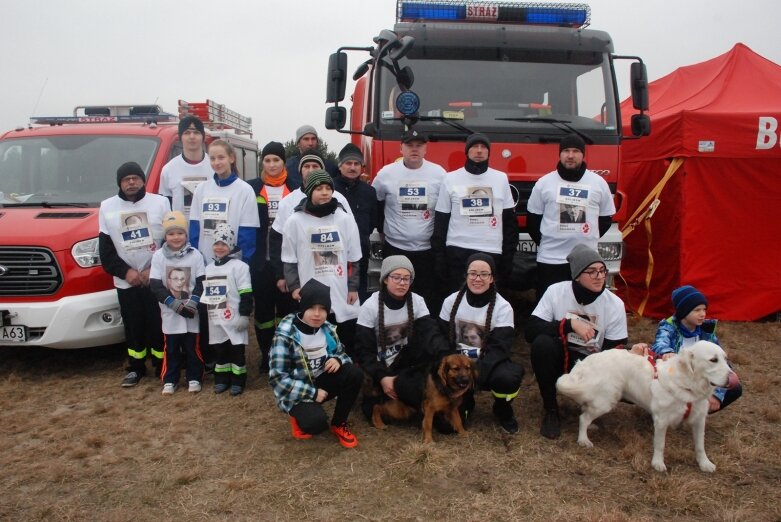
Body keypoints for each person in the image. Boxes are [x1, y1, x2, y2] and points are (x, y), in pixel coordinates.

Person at [526, 244, 649, 439]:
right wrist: (569, 324)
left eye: (602, 270)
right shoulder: (556, 292)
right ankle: (551, 410)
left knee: (631, 376)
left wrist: (629, 351)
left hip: (594, 362)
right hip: (560, 356)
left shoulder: (614, 303)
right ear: (576, 276)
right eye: (591, 272)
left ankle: (591, 404)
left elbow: (613, 348)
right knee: (542, 344)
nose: (599, 277)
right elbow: (531, 330)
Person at [189, 139, 259, 371]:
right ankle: (214, 359)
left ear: (231, 158)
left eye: (221, 157)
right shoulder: (202, 189)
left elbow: (248, 232)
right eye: (212, 158)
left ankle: (235, 357)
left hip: (232, 265)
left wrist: (241, 264)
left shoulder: (244, 190)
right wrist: (197, 259)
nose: (217, 162)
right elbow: (195, 227)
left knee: (230, 310)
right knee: (210, 310)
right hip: (208, 263)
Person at [99, 162, 170, 387]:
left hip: (155, 277)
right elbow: (106, 250)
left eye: (135, 178)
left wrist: (154, 270)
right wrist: (126, 272)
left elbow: (171, 240)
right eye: (126, 179)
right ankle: (136, 367)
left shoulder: (160, 202)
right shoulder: (107, 207)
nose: (131, 182)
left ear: (143, 180)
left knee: (158, 322)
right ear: (119, 183)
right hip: (126, 281)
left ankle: (162, 365)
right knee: (133, 324)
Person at [355, 255, 450, 423]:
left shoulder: (417, 301)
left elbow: (430, 333)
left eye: (406, 278)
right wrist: (383, 378)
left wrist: (447, 357)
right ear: (385, 279)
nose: (402, 283)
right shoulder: (369, 307)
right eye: (396, 277)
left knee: (412, 405)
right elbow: (364, 350)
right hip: (377, 364)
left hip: (403, 363)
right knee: (373, 411)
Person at [269, 278, 363, 448]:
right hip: (297, 390)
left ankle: (339, 423)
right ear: (302, 307)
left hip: (321, 382)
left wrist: (337, 359)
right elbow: (278, 379)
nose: (317, 314)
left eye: (323, 309)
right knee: (316, 424)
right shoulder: (285, 335)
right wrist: (312, 393)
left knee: (354, 373)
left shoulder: (327, 328)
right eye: (311, 308)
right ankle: (298, 415)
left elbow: (343, 353)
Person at [281, 170, 362, 358]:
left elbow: (354, 257)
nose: (324, 192)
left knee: (344, 336)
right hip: (311, 288)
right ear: (309, 192)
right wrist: (294, 286)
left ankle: (345, 372)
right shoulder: (295, 221)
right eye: (319, 188)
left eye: (328, 188)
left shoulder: (344, 219)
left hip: (340, 288)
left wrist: (353, 287)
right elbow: (289, 259)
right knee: (315, 338)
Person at [439, 253, 523, 433]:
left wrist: (473, 379)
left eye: (484, 274)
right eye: (473, 273)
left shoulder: (503, 307)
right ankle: (466, 403)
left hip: (486, 366)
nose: (478, 279)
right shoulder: (450, 301)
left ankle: (502, 408)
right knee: (447, 428)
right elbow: (441, 339)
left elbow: (499, 348)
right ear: (466, 276)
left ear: (492, 278)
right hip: (457, 369)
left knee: (507, 378)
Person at [526, 133, 616, 301]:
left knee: (584, 304)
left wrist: (586, 239)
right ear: (560, 154)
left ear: (583, 154)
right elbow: (533, 221)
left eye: (575, 151)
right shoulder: (544, 183)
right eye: (566, 151)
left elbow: (605, 219)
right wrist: (552, 240)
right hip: (551, 259)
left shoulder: (598, 183)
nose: (570, 155)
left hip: (586, 261)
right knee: (550, 304)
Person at [432, 133, 518, 295]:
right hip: (458, 250)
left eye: (483, 147)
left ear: (488, 152)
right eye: (474, 147)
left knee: (487, 302)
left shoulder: (501, 179)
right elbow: (441, 222)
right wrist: (439, 258)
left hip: (491, 250)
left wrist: (508, 257)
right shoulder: (450, 178)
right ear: (467, 151)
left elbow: (509, 224)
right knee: (456, 300)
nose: (479, 151)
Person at [373, 130, 446, 312]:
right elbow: (376, 203)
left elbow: (445, 209)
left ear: (425, 149)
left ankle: (424, 335)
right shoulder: (386, 174)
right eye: (409, 146)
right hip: (396, 248)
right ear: (401, 148)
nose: (414, 150)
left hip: (427, 251)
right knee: (395, 295)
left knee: (427, 298)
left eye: (419, 146)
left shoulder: (439, 174)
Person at [652, 285, 743, 412]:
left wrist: (717, 395)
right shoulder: (669, 327)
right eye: (696, 310)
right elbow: (660, 344)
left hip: (698, 380)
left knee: (735, 388)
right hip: (674, 379)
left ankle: (694, 412)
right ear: (683, 311)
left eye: (704, 309)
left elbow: (721, 363)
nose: (702, 314)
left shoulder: (707, 332)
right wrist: (667, 352)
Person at [247, 141, 296, 373]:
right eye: (267, 160)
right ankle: (267, 355)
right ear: (262, 163)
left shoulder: (295, 187)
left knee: (286, 312)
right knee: (264, 314)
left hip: (286, 262)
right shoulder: (252, 188)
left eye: (276, 160)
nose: (272, 164)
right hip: (260, 263)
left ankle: (286, 354)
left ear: (283, 162)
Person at [149, 211, 206, 394]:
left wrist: (193, 302)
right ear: (165, 236)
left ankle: (194, 377)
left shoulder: (195, 254)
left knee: (192, 347)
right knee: (171, 348)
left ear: (186, 235)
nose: (176, 237)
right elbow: (156, 285)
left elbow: (201, 281)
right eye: (171, 233)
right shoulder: (158, 256)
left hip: (191, 311)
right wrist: (172, 303)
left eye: (180, 233)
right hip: (170, 311)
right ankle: (170, 379)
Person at [202, 223, 253, 396]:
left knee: (236, 351)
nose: (220, 247)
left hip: (234, 317)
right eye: (216, 243)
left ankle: (238, 380)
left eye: (224, 244)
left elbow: (246, 293)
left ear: (230, 245)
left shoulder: (240, 267)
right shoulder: (208, 269)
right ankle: (222, 379)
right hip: (215, 318)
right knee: (220, 351)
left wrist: (244, 315)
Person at [333, 143, 377, 303]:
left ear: (362, 167)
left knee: (359, 296)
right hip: (333, 253)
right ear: (340, 166)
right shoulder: (329, 189)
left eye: (356, 163)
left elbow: (373, 220)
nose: (352, 167)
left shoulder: (369, 192)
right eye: (348, 163)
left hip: (360, 254)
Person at [158, 116, 212, 220]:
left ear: (203, 137)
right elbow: (165, 206)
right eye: (187, 133)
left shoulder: (214, 166)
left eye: (196, 132)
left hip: (208, 232)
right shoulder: (169, 169)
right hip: (180, 233)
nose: (192, 136)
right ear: (180, 137)